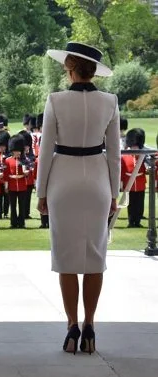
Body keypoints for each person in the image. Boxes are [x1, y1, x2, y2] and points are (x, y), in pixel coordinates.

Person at [37, 42, 120, 354]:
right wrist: (113, 192)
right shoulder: (110, 101)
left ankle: (71, 324)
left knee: (67, 257)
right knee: (95, 256)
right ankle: (90, 324)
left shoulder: (56, 100)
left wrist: (41, 191)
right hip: (97, 179)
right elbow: (114, 154)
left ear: (70, 68)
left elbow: (45, 150)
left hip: (63, 180)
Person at [121, 128, 147, 228]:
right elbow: (123, 171)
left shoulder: (143, 154)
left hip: (140, 183)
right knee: (131, 204)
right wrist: (122, 184)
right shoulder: (125, 156)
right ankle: (131, 221)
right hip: (129, 184)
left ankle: (138, 220)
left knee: (140, 204)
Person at [4, 136, 30, 229]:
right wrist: (6, 186)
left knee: (22, 206)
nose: (17, 153)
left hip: (22, 186)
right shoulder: (7, 160)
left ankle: (21, 223)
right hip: (12, 186)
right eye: (15, 151)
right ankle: (13, 223)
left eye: (19, 151)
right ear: (12, 151)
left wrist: (26, 172)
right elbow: (6, 174)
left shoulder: (25, 160)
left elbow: (27, 174)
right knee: (13, 206)